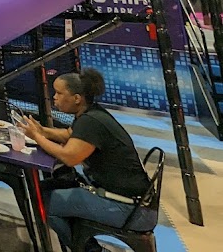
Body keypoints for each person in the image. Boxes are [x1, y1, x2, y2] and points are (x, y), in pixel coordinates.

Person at [19, 69, 155, 252]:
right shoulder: (92, 114)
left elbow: (69, 157)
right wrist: (43, 131)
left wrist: (36, 136)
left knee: (42, 202)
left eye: (59, 93)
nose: (54, 97)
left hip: (132, 210)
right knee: (43, 189)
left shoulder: (91, 121)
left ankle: (91, 250)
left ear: (77, 98)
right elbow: (69, 135)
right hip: (131, 202)